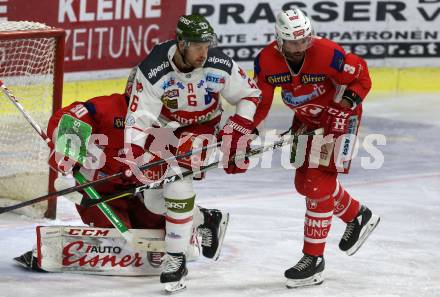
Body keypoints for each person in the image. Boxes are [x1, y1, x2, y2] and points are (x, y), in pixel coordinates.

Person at [14, 74, 229, 275]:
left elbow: (180, 164)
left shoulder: (165, 121)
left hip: (140, 191)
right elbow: (68, 117)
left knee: (159, 227)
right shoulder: (107, 108)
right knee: (113, 237)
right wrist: (67, 160)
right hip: (101, 191)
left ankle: (205, 219)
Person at [122, 14, 261, 292]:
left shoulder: (218, 63)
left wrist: (240, 124)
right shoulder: (153, 69)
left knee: (177, 180)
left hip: (206, 128)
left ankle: (176, 258)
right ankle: (206, 219)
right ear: (182, 42)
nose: (204, 52)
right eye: (197, 46)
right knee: (153, 200)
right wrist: (136, 156)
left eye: (207, 45)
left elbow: (250, 94)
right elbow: (138, 119)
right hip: (166, 132)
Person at [253, 8, 380, 288]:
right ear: (279, 40)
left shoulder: (328, 53)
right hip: (306, 119)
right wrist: (247, 127)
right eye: (292, 43)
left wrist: (342, 107)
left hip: (339, 120)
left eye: (304, 41)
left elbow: (363, 79)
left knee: (316, 183)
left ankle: (313, 260)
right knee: (303, 184)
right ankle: (356, 215)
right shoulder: (266, 61)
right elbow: (260, 101)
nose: (299, 48)